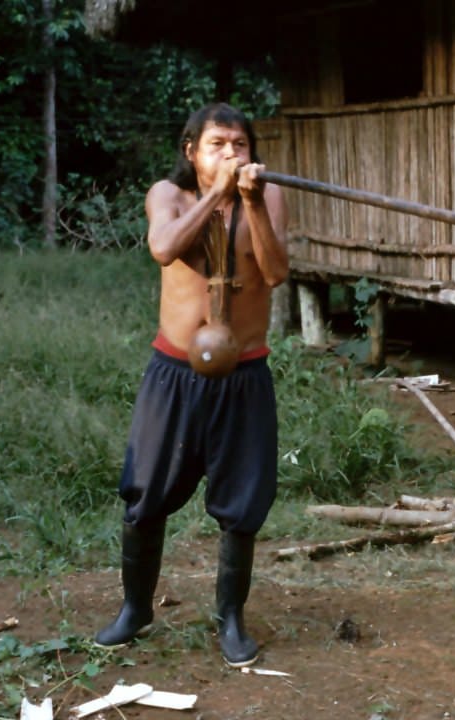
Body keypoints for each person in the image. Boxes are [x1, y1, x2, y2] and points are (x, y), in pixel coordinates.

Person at [95, 102, 289, 668]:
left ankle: (230, 618)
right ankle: (136, 609)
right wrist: (217, 195)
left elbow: (276, 272)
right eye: (218, 144)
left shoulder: (269, 196)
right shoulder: (169, 196)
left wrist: (249, 201)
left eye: (240, 145)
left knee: (243, 499)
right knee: (145, 492)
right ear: (191, 152)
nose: (231, 154)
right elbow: (163, 248)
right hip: (173, 374)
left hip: (245, 375)